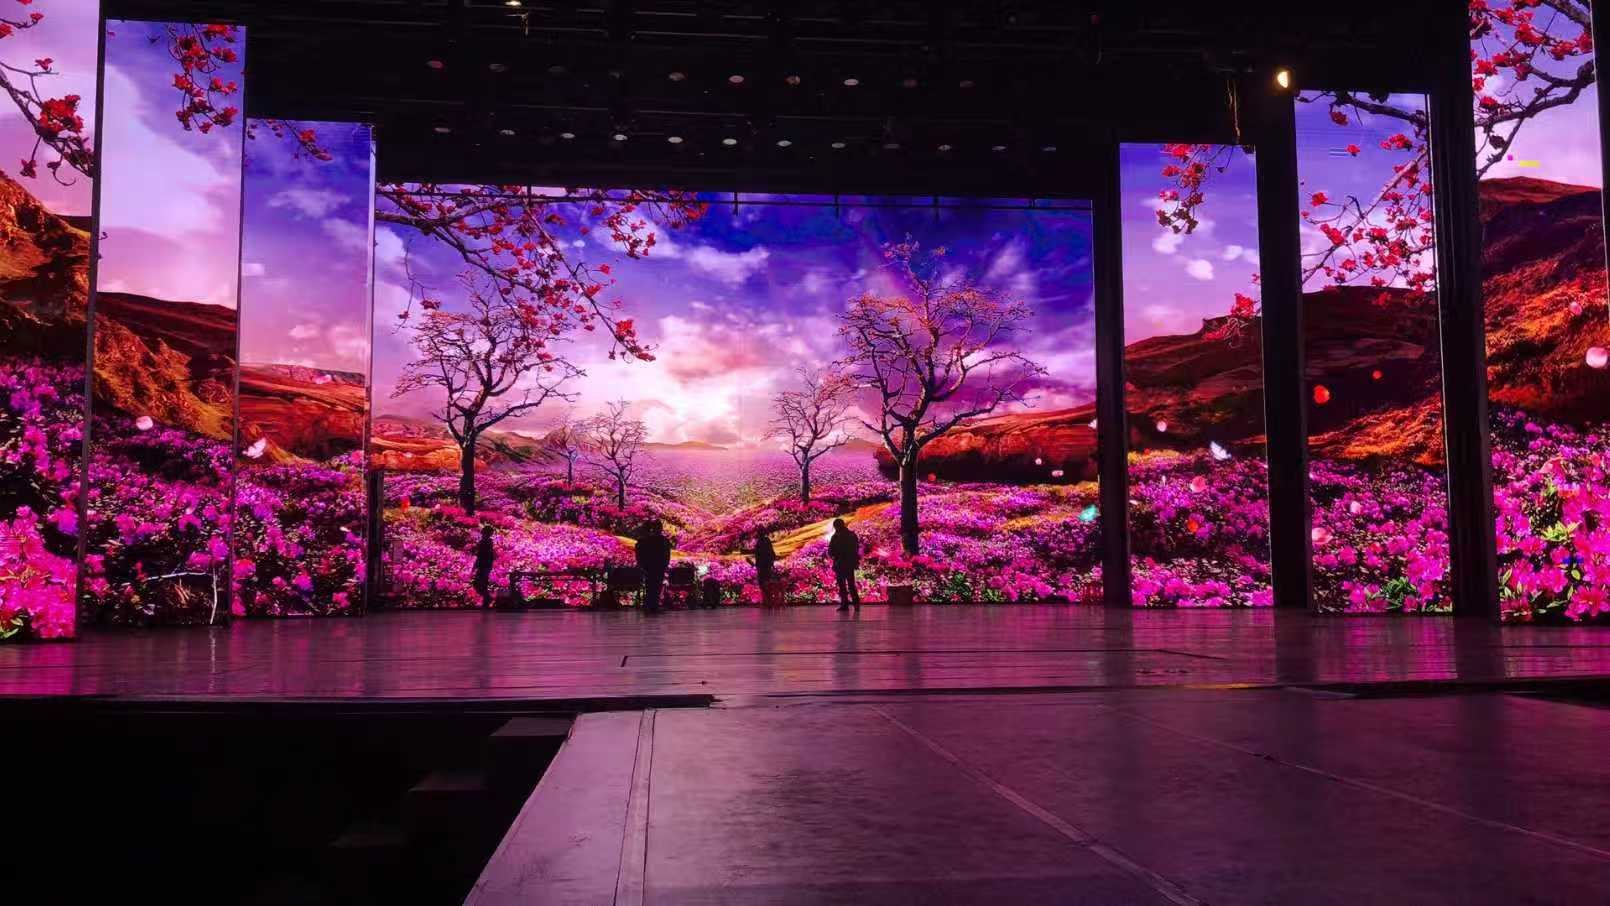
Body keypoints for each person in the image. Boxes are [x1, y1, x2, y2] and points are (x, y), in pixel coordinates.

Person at [635, 521, 673, 612]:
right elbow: (666, 554)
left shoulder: (646, 540)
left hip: (651, 566)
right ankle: (653, 605)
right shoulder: (662, 540)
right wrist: (665, 564)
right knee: (655, 586)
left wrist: (642, 565)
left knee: (651, 586)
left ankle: (651, 605)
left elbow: (640, 554)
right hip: (656, 566)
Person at [827, 518, 861, 611]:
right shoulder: (851, 535)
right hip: (847, 564)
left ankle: (845, 605)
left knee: (844, 585)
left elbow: (831, 550)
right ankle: (855, 605)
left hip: (841, 563)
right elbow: (855, 549)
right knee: (850, 585)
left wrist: (835, 556)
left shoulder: (837, 536)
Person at [473, 523, 496, 608]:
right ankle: (487, 600)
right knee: (481, 584)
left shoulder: (486, 542)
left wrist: (476, 566)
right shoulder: (486, 542)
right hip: (484, 566)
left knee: (479, 584)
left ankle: (487, 599)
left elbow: (482, 555)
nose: (482, 534)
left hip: (484, 566)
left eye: (484, 533)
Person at [752, 533, 777, 606]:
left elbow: (757, 554)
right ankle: (769, 600)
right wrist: (771, 562)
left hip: (762, 566)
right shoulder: (767, 541)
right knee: (768, 583)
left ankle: (766, 601)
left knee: (763, 583)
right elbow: (772, 553)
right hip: (767, 565)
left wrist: (757, 564)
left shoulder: (759, 542)